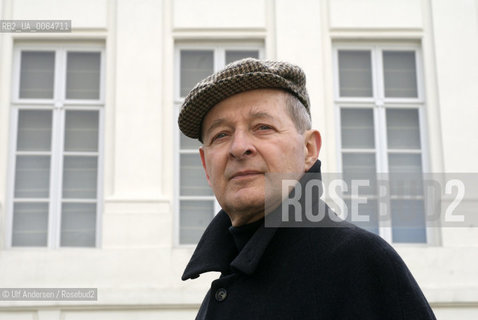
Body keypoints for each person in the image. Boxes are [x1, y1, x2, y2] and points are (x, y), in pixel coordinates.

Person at [178, 58, 436, 319]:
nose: (239, 147)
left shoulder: (359, 262)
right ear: (205, 165)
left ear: (309, 149)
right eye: (221, 134)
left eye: (263, 127)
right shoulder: (221, 292)